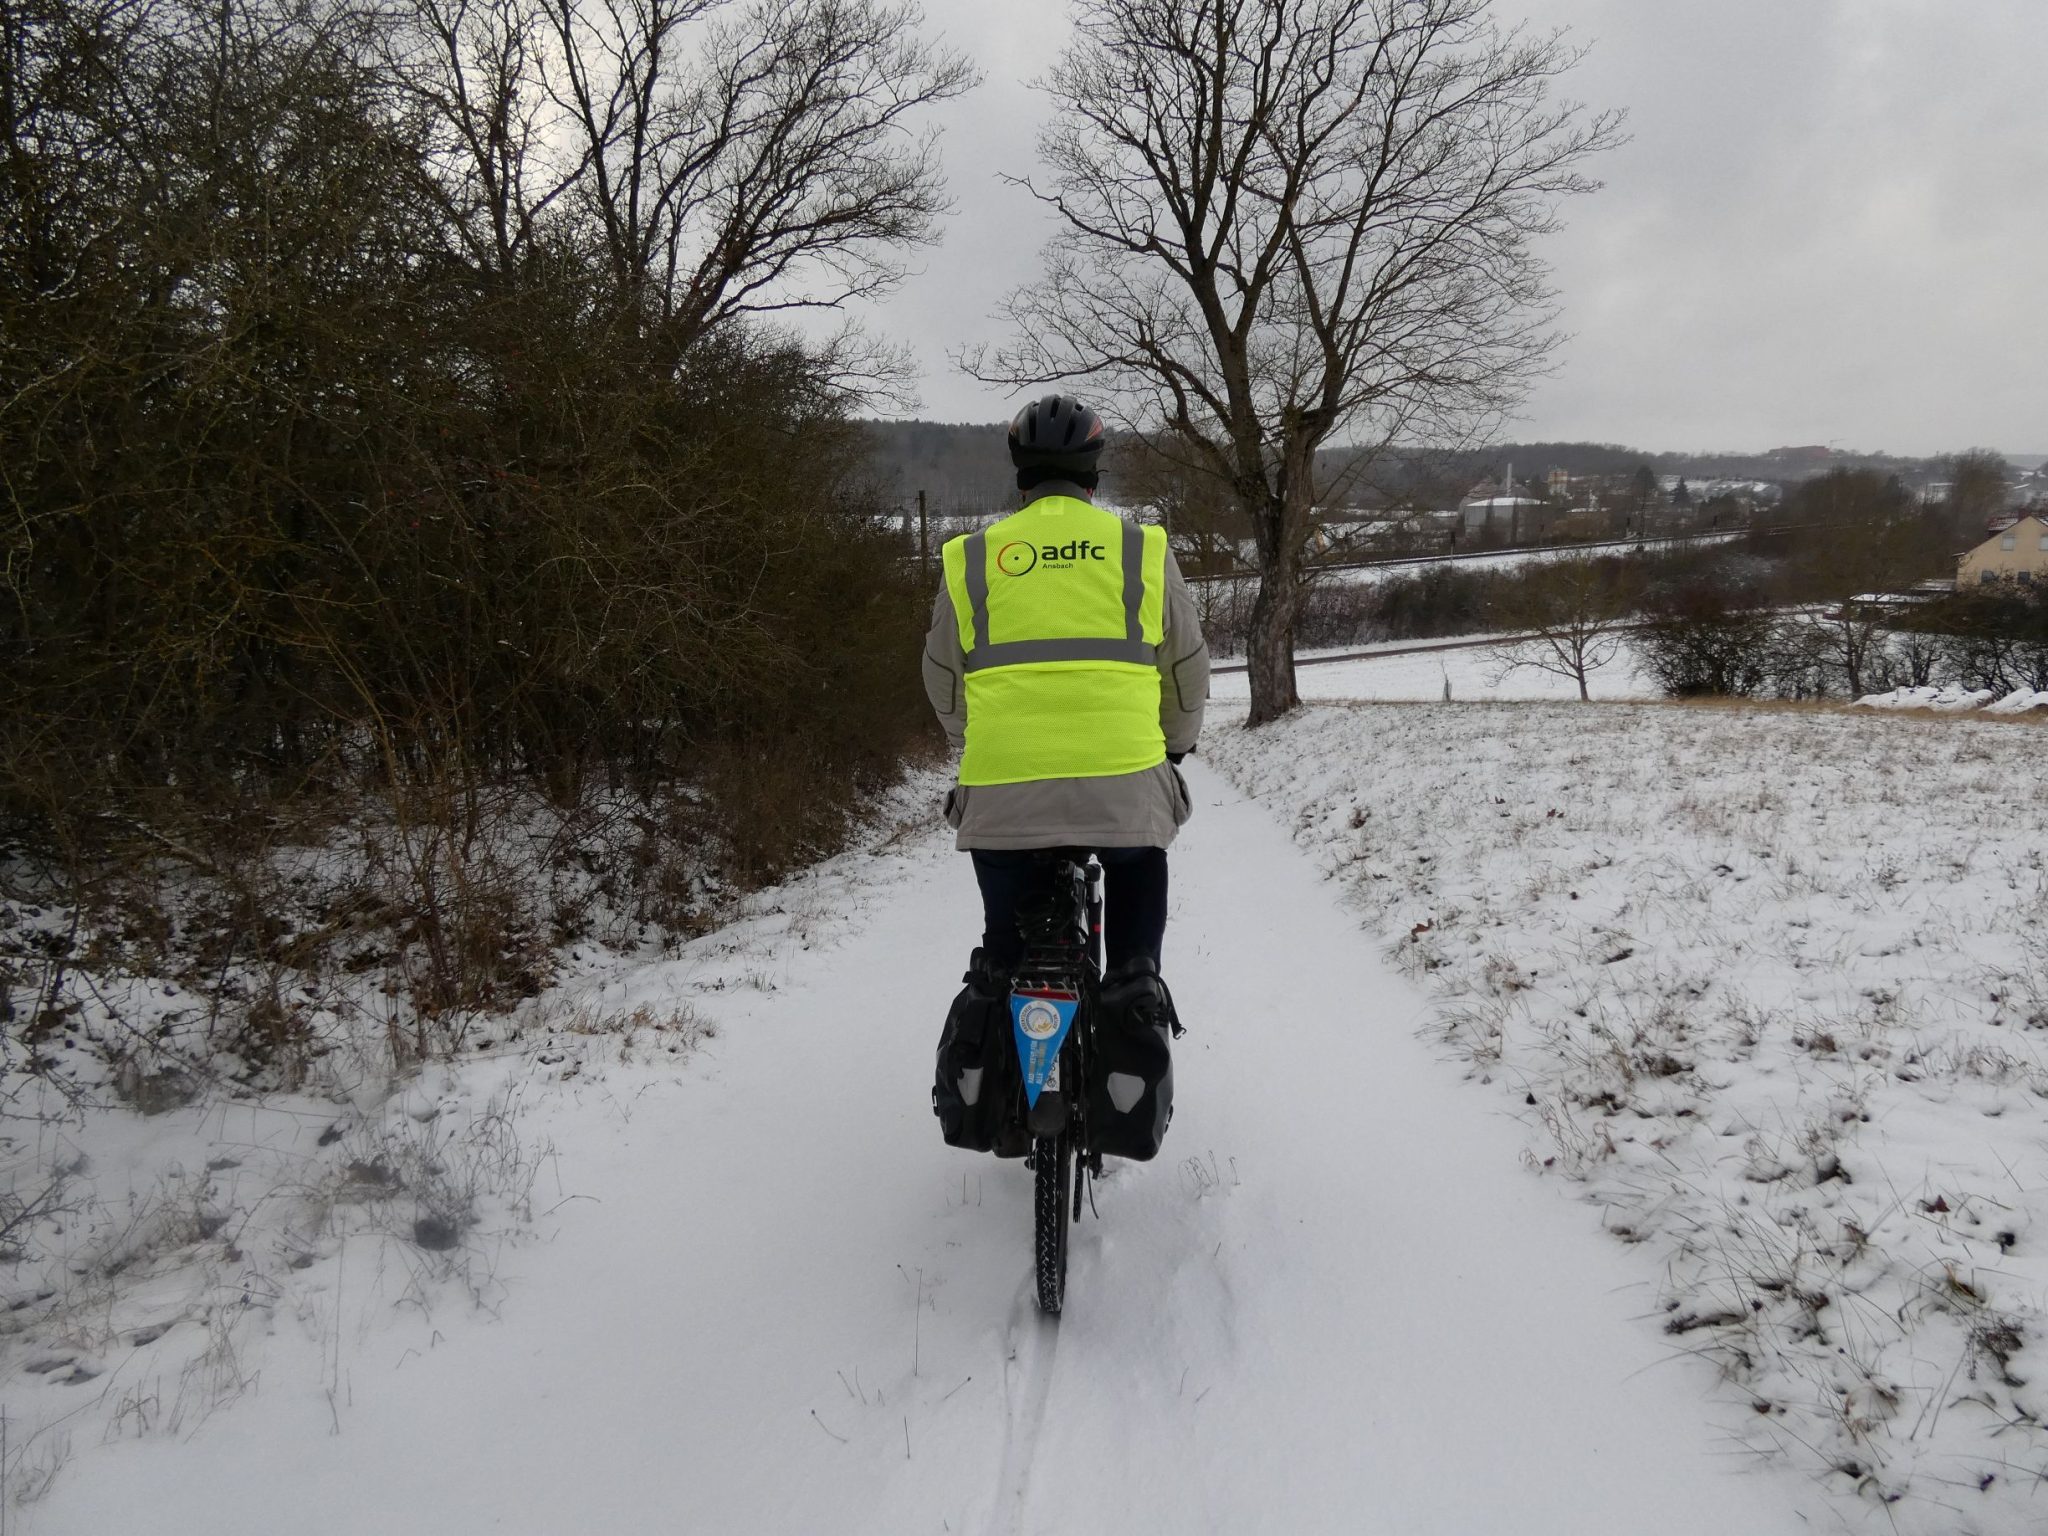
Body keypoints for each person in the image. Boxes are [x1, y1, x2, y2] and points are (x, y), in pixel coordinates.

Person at [924, 395, 1209, 1161]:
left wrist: (974, 746)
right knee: (1138, 863)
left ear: (1020, 474)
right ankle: (1135, 982)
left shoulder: (971, 558)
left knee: (1004, 944)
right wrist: (1174, 748)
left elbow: (942, 677)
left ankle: (1002, 1006)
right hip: (1123, 782)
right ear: (1093, 472)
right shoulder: (1141, 551)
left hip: (1005, 790)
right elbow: (1185, 668)